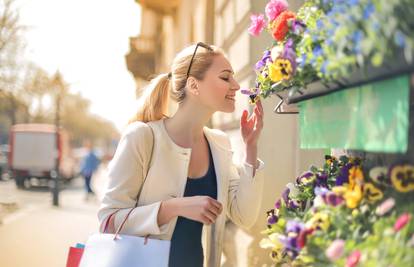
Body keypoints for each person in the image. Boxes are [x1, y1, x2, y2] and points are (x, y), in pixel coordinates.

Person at [98, 42, 265, 267]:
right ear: (194, 85)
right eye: (225, 78)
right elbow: (108, 221)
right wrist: (174, 207)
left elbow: (245, 216)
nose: (235, 85)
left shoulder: (219, 143)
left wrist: (251, 148)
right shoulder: (142, 137)